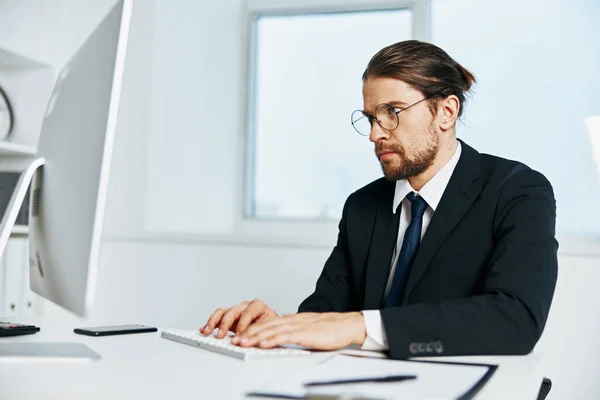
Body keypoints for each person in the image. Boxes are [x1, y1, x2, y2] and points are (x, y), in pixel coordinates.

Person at [200, 40, 558, 359]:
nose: (375, 134)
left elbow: (516, 320)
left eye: (393, 113)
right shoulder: (362, 206)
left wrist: (358, 327)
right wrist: (281, 325)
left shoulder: (517, 192)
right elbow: (328, 313)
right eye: (371, 117)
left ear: (446, 112)